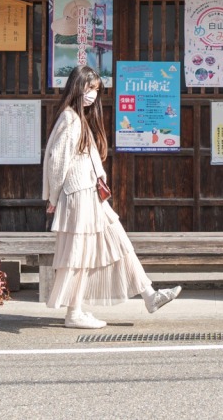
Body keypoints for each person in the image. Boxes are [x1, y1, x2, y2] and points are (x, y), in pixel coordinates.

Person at [42, 65, 181, 329]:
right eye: (88, 88)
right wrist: (54, 198)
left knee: (119, 243)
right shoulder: (70, 119)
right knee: (80, 255)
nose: (92, 94)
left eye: (95, 89)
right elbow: (57, 163)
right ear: (76, 87)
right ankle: (74, 313)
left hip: (91, 196)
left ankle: (150, 296)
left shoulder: (77, 118)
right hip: (78, 196)